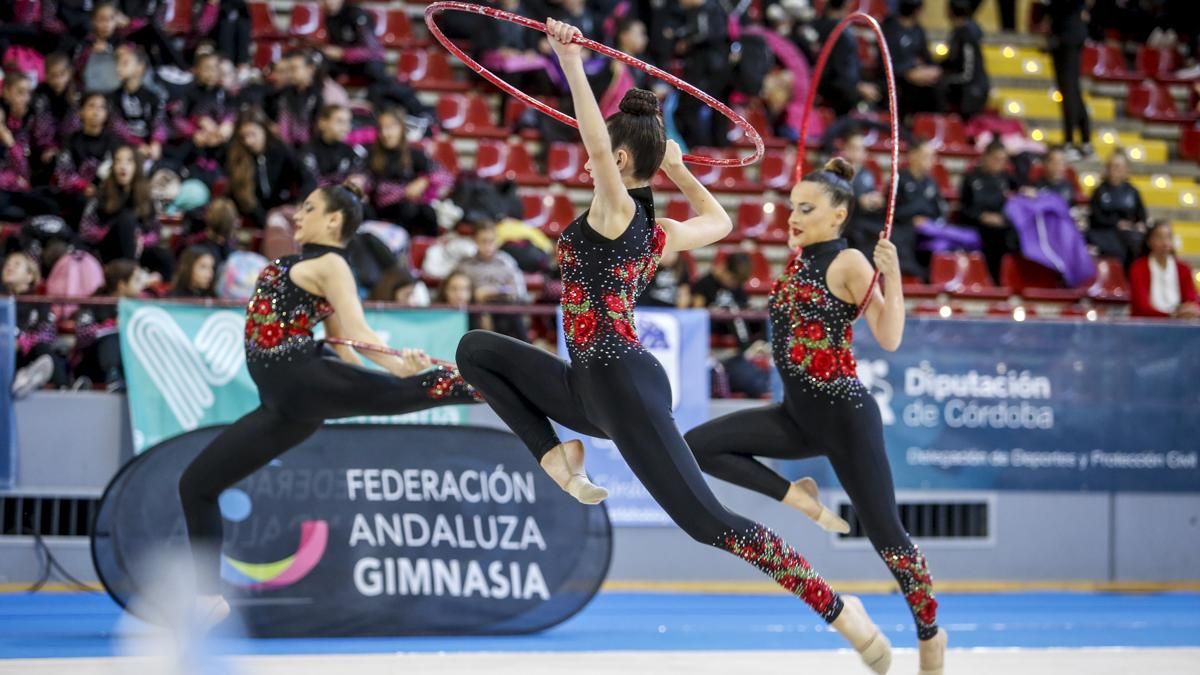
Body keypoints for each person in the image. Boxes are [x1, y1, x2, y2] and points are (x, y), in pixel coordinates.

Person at [455, 19, 893, 671]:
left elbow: (600, 146)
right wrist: (680, 171)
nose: (589, 160)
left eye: (600, 156)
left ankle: (839, 608)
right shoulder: (656, 231)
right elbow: (719, 221)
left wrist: (571, 63)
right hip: (589, 386)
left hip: (624, 383)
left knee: (707, 521)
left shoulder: (618, 211)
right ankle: (555, 455)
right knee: (476, 350)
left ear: (620, 162)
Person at [685, 158, 946, 675]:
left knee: (887, 537)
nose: (793, 218)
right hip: (796, 415)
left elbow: (890, 336)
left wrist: (893, 276)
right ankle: (796, 495)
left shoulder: (849, 262)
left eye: (806, 209)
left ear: (838, 215)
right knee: (698, 446)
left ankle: (930, 634)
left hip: (846, 417)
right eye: (791, 208)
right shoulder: (799, 260)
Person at [177, 182, 480, 624]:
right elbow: (344, 345)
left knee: (407, 391)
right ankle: (207, 599)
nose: (298, 216)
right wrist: (378, 378)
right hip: (284, 407)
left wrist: (398, 370)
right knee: (196, 485)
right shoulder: (310, 264)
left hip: (302, 379)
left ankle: (496, 383)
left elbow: (357, 332)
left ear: (334, 220)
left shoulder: (333, 263)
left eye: (309, 208)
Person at [959, 140, 1015, 282]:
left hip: (1000, 222)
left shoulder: (1004, 179)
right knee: (994, 236)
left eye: (1003, 160)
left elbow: (1014, 201)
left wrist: (1002, 218)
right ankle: (993, 278)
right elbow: (964, 208)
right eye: (996, 159)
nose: (1000, 163)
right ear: (986, 157)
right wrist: (982, 216)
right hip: (977, 223)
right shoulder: (971, 178)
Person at [893, 138, 944, 280]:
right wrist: (912, 219)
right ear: (913, 155)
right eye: (926, 155)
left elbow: (938, 210)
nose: (930, 160)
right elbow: (891, 211)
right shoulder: (898, 179)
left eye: (932, 156)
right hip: (904, 229)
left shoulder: (931, 182)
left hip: (928, 228)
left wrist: (927, 220)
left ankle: (934, 278)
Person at [1046, 0, 1091, 158]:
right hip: (1067, 31)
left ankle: (1070, 141)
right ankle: (1084, 140)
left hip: (1068, 32)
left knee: (1069, 90)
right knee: (1072, 90)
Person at [884, 0, 942, 121]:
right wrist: (908, 72)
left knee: (938, 88)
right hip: (897, 77)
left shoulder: (918, 30)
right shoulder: (889, 28)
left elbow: (926, 57)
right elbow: (887, 60)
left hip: (919, 74)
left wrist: (931, 70)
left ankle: (927, 125)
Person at [1129, 221, 1200, 319]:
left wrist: (1190, 309)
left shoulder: (1184, 268)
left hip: (1179, 322)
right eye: (1159, 237)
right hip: (1148, 323)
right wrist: (1171, 315)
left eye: (1169, 237)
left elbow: (1191, 299)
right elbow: (1141, 307)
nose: (1165, 243)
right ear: (1149, 241)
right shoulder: (1138, 267)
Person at [1087, 150, 1146, 267]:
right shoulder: (1099, 191)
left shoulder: (1133, 191)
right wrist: (1116, 223)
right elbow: (1095, 217)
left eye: (1118, 166)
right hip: (1104, 231)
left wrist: (1140, 224)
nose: (1114, 170)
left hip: (1129, 232)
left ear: (1126, 169)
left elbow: (1141, 215)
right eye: (1111, 166)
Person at [839, 131, 886, 259]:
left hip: (863, 218)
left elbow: (871, 194)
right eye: (854, 148)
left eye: (861, 149)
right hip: (844, 221)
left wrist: (875, 200)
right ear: (845, 150)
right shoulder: (837, 172)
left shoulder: (867, 173)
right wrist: (858, 200)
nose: (858, 152)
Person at [942, 0, 989, 121]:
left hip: (972, 91)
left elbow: (968, 73)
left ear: (949, 12)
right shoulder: (957, 32)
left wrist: (944, 79)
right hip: (965, 86)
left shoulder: (967, 34)